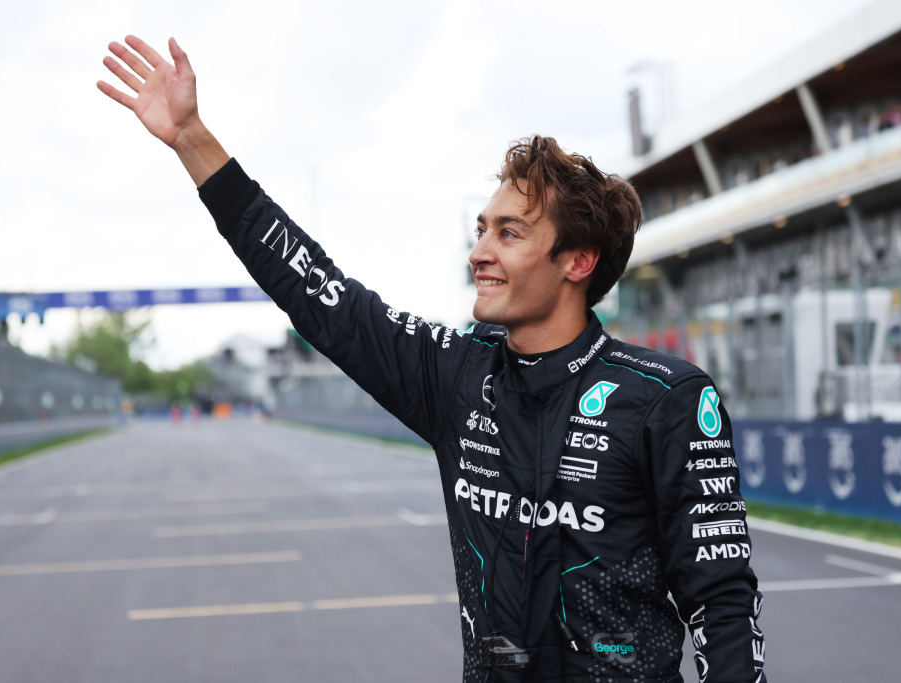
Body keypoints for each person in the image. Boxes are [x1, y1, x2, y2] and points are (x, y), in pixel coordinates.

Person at [98, 35, 767, 683]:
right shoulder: (458, 375)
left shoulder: (666, 398)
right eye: (481, 230)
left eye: (509, 233)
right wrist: (192, 140)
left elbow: (722, 601)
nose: (479, 252)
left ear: (577, 261)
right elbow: (319, 294)